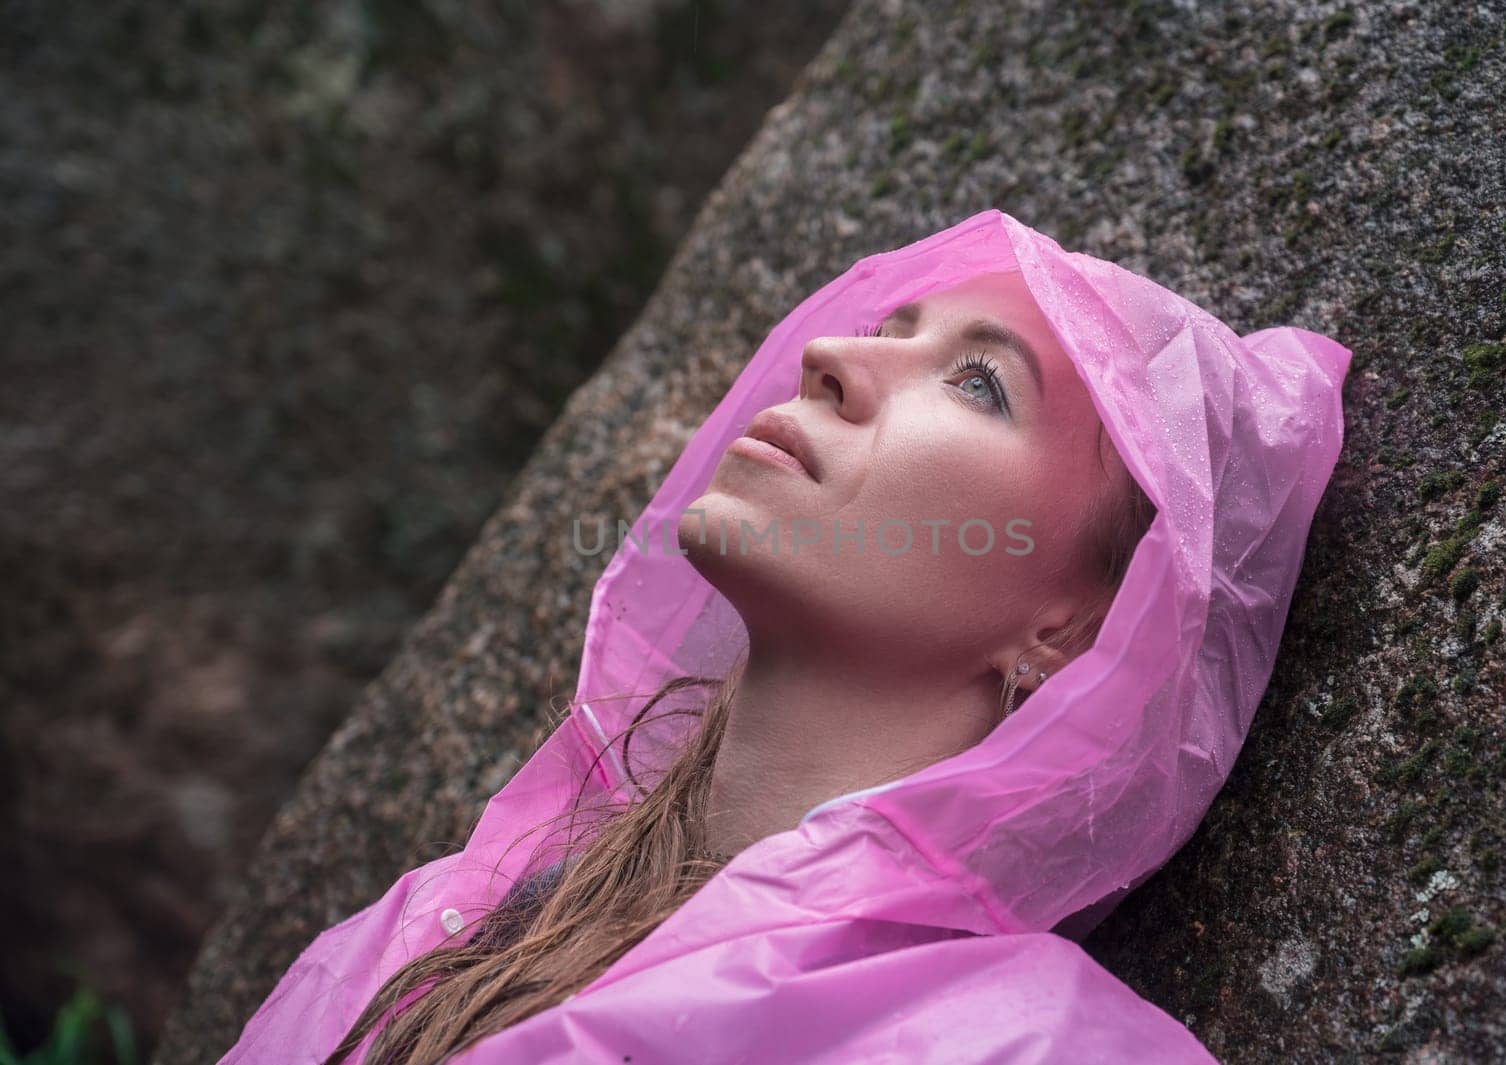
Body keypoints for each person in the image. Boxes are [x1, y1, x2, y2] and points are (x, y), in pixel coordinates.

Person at [219, 208, 1352, 1064]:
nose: (834, 360)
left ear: (1073, 629)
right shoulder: (440, 924)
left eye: (974, 383)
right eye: (885, 328)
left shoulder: (1026, 1046)